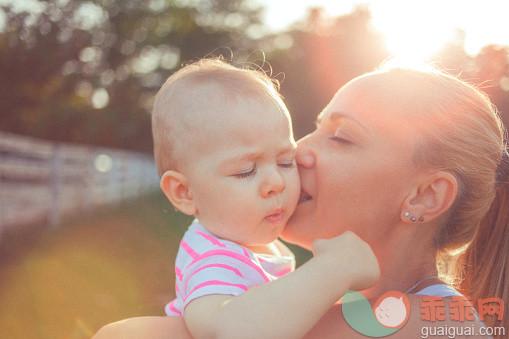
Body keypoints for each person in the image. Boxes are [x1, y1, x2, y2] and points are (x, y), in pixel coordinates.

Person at [94, 64, 509, 338]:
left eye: (341, 137)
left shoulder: (440, 325)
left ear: (424, 196)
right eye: (311, 129)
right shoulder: (323, 305)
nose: (297, 152)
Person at [147, 58, 380, 339]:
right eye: (246, 171)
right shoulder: (212, 261)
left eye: (285, 162)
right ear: (184, 192)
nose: (277, 182)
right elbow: (226, 331)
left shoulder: (248, 242)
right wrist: (333, 271)